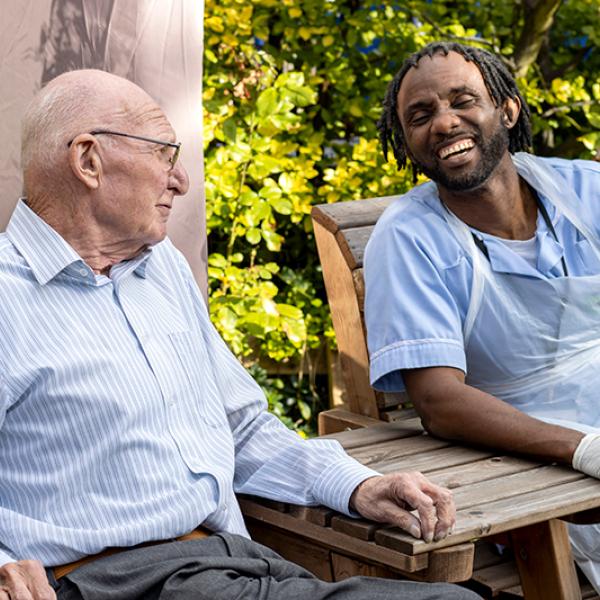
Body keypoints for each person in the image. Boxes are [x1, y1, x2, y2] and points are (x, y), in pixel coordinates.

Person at [0, 69, 480, 600]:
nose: (180, 179)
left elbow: (240, 428)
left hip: (241, 560)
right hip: (118, 580)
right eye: (163, 153)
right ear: (88, 160)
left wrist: (357, 484)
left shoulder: (159, 270)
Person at [365, 41, 600, 591]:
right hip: (543, 470)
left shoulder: (586, 191)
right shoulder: (410, 237)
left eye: (462, 100)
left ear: (508, 109)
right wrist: (583, 448)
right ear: (406, 142)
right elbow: (440, 403)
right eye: (419, 116)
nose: (444, 123)